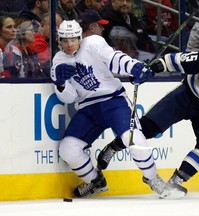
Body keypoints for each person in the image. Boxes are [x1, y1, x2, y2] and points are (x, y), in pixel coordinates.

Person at [97, 41, 199, 197]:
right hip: (186, 96)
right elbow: (177, 60)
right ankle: (113, 147)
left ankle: (176, 180)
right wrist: (153, 67)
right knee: (146, 128)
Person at [51, 19, 186, 199]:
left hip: (114, 101)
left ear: (80, 36)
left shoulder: (93, 43)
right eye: (64, 41)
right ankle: (95, 181)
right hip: (88, 108)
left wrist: (135, 67)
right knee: (68, 148)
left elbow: (114, 59)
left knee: (134, 138)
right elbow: (69, 97)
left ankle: (153, 179)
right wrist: (60, 84)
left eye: (73, 39)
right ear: (59, 40)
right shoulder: (58, 60)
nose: (69, 44)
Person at [28, 12, 63, 77]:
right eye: (53, 25)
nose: (56, 29)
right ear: (42, 25)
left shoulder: (54, 41)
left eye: (59, 26)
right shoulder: (37, 41)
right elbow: (47, 67)